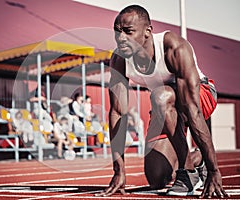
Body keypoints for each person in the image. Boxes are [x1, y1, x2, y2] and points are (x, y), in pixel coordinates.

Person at [96, 5, 228, 198]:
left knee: (160, 96)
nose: (121, 38)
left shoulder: (173, 47)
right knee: (156, 177)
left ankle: (188, 172)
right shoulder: (119, 59)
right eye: (117, 31)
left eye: (128, 31)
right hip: (166, 106)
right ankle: (195, 160)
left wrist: (214, 169)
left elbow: (193, 109)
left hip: (201, 96)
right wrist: (119, 170)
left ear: (148, 31)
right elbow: (117, 112)